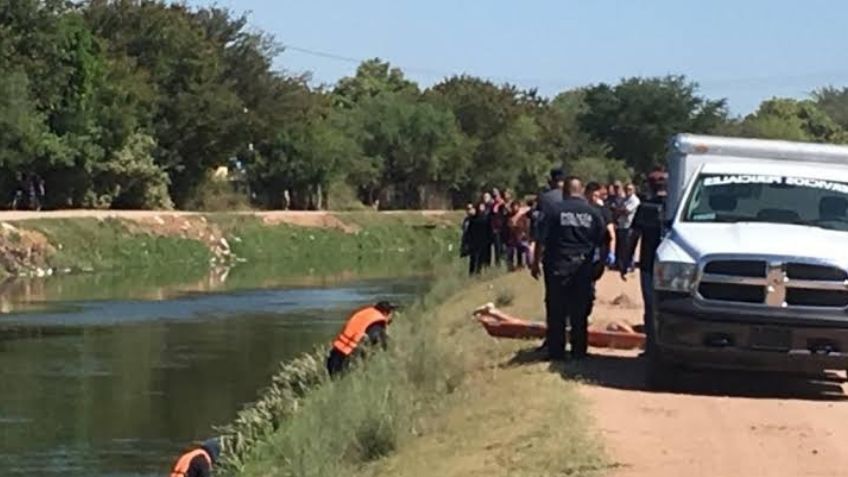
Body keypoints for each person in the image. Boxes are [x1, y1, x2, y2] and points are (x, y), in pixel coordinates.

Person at [531, 176, 604, 361]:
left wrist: (534, 262)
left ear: (564, 192)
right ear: (580, 191)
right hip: (582, 268)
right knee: (579, 311)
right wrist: (601, 263)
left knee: (556, 310)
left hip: (557, 266)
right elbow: (605, 240)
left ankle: (557, 352)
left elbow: (541, 238)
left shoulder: (554, 210)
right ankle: (579, 351)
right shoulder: (593, 212)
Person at [624, 170, 668, 356]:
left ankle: (652, 347)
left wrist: (626, 259)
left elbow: (634, 235)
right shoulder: (675, 206)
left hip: (649, 264)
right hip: (671, 265)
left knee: (650, 308)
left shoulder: (645, 207)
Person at [326, 301, 396, 376]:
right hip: (347, 359)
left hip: (335, 353)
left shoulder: (366, 314)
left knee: (334, 381)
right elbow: (376, 337)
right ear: (385, 313)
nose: (392, 317)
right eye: (391, 314)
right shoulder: (378, 321)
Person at [584, 182, 617, 321]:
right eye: (592, 194)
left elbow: (611, 233)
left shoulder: (603, 210)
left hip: (598, 251)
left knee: (590, 282)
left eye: (596, 194)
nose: (594, 197)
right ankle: (583, 311)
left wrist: (612, 252)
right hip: (585, 250)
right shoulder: (583, 209)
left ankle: (586, 310)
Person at [615, 183, 640, 272]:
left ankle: (629, 265)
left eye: (630, 189)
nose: (627, 191)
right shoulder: (625, 199)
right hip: (621, 225)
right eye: (626, 189)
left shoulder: (635, 200)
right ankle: (620, 265)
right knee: (621, 247)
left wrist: (618, 210)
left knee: (628, 247)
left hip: (629, 226)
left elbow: (626, 211)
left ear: (634, 190)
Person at [466, 202, 493, 275]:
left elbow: (489, 229)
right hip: (474, 241)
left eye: (483, 207)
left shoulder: (486, 218)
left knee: (481, 257)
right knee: (473, 258)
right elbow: (469, 231)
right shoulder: (473, 219)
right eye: (480, 207)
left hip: (483, 241)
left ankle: (478, 272)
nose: (481, 208)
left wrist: (490, 239)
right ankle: (471, 273)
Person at [505, 200, 531, 271]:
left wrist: (525, 235)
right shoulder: (509, 216)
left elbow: (526, 227)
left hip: (522, 237)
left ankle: (529, 264)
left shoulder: (523, 217)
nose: (515, 208)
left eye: (516, 206)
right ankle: (511, 267)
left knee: (526, 249)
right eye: (513, 206)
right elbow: (509, 225)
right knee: (510, 252)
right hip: (512, 238)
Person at [490, 188, 508, 266]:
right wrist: (497, 204)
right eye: (494, 194)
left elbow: (506, 211)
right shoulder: (493, 204)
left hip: (503, 227)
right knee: (497, 246)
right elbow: (494, 211)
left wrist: (501, 203)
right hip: (495, 227)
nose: (495, 196)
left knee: (504, 245)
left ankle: (505, 260)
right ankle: (498, 263)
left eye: (496, 194)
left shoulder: (503, 203)